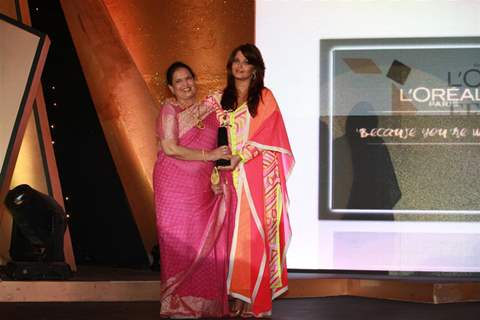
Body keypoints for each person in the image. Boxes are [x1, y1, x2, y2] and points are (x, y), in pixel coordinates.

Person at [207, 44, 295, 317]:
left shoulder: (265, 97)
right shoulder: (220, 99)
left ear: (256, 67)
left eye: (246, 62)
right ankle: (234, 293)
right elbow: (203, 131)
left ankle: (251, 297)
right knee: (229, 237)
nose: (240, 66)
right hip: (225, 176)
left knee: (251, 236)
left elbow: (270, 134)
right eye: (235, 61)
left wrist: (241, 156)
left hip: (255, 175)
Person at [153, 61, 233, 318]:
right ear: (170, 87)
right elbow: (170, 148)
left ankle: (204, 302)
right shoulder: (169, 109)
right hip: (172, 186)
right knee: (178, 242)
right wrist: (209, 154)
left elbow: (221, 149)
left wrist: (217, 177)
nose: (186, 84)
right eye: (179, 81)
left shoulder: (210, 112)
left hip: (200, 187)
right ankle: (177, 303)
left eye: (189, 78)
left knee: (201, 240)